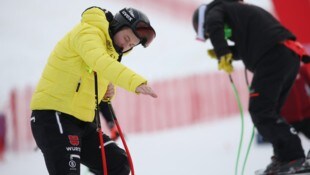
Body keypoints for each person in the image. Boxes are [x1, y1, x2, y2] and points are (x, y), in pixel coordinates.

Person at [30, 6, 157, 175]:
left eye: (132, 44)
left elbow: (90, 75)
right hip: (54, 115)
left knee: (118, 164)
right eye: (127, 38)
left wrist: (107, 91)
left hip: (81, 122)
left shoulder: (109, 52)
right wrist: (134, 82)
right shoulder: (89, 32)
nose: (126, 45)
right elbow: (100, 62)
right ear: (117, 26)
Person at [192, 0, 310, 174]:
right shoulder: (238, 15)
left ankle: (293, 157)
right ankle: (285, 156)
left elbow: (214, 23)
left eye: (210, 35)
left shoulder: (215, 10)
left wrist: (222, 51)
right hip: (288, 55)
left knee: (260, 110)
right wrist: (228, 53)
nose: (218, 36)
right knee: (270, 112)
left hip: (274, 56)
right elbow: (250, 47)